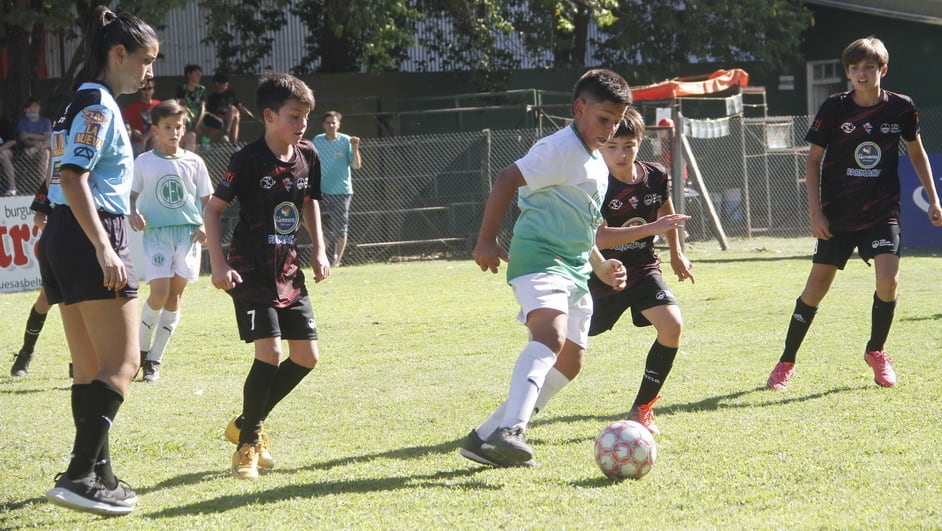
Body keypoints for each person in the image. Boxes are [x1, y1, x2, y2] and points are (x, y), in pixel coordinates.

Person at [459, 69, 632, 468]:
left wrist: (600, 265)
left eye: (617, 122)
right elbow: (506, 179)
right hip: (539, 258)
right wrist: (486, 239)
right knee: (550, 336)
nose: (610, 129)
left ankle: (483, 437)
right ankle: (512, 430)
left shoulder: (597, 163)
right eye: (604, 119)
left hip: (574, 268)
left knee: (570, 360)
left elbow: (583, 225)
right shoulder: (559, 148)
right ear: (579, 108)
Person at [765, 36, 942, 391]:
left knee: (889, 280)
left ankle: (876, 351)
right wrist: (815, 213)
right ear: (848, 72)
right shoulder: (834, 108)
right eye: (855, 68)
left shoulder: (902, 107)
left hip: (882, 210)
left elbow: (917, 153)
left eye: (869, 67)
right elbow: (813, 161)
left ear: (883, 70)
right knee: (816, 289)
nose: (862, 74)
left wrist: (935, 199)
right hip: (837, 214)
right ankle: (786, 361)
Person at [39, 6, 157, 515]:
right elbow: (73, 177)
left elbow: (62, 178)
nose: (150, 71)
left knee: (89, 369)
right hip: (92, 233)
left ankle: (100, 475)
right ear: (119, 53)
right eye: (145, 60)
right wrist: (106, 246)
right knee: (126, 362)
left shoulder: (77, 102)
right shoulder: (99, 105)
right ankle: (79, 475)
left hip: (62, 236)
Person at [204, 72, 329, 480]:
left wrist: (320, 249)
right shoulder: (248, 159)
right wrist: (219, 265)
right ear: (270, 115)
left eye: (306, 117)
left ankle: (246, 422)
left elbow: (309, 201)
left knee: (306, 357)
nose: (302, 124)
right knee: (271, 353)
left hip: (289, 269)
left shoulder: (309, 154)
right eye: (294, 116)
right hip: (251, 269)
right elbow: (213, 210)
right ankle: (247, 446)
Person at [129, 100, 212, 382]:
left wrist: (204, 224)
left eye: (179, 127)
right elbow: (130, 196)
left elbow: (207, 200)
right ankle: (139, 353)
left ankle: (155, 359)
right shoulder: (144, 162)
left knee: (175, 296)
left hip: (187, 235)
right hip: (157, 234)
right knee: (158, 293)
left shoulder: (194, 161)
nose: (174, 132)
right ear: (155, 129)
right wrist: (133, 212)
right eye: (168, 127)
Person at [10, 182, 56, 377]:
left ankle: (79, 361)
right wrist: (57, 230)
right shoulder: (53, 180)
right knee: (45, 301)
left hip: (87, 251)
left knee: (82, 305)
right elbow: (39, 217)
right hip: (57, 248)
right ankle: (26, 352)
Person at [312, 110, 361, 267]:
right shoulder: (317, 141)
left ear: (339, 125)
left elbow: (356, 165)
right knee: (307, 218)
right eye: (328, 122)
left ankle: (336, 261)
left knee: (341, 228)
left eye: (334, 122)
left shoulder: (347, 140)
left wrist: (355, 147)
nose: (331, 125)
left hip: (342, 193)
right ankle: (324, 242)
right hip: (319, 192)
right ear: (323, 125)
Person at [16, 97, 53, 195]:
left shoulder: (46, 121)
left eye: (35, 106)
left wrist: (30, 136)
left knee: (45, 151)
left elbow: (47, 137)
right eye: (29, 107)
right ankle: (45, 185)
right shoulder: (22, 123)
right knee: (44, 151)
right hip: (28, 151)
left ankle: (44, 185)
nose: (32, 109)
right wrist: (38, 142)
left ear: (39, 108)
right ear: (25, 110)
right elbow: (24, 140)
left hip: (42, 149)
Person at [204, 72, 256, 143]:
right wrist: (219, 111)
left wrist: (250, 116)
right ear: (217, 83)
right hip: (218, 118)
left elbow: (239, 106)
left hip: (230, 117)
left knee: (235, 113)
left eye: (226, 82)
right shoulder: (213, 97)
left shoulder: (230, 94)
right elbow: (210, 111)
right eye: (223, 82)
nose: (226, 84)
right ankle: (229, 137)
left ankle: (231, 139)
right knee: (234, 113)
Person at [122, 79, 160, 155]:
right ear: (139, 90)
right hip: (138, 145)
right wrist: (132, 130)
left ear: (153, 90)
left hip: (156, 142)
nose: (147, 91)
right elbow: (123, 126)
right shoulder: (130, 108)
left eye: (149, 88)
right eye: (144, 89)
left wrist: (145, 138)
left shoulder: (159, 106)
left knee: (156, 136)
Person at [175, 64, 205, 151]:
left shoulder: (202, 89)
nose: (199, 76)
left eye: (200, 74)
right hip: (186, 114)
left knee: (216, 122)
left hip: (199, 115)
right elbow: (180, 104)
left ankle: (205, 141)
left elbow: (203, 107)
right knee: (186, 123)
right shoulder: (182, 88)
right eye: (196, 74)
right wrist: (189, 113)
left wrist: (198, 122)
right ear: (189, 74)